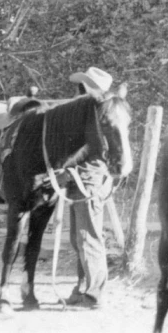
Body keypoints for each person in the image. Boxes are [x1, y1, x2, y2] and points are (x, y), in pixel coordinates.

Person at [66, 66, 115, 309]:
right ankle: (82, 288)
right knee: (78, 238)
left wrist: (65, 161)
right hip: (81, 178)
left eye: (83, 85)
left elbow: (94, 148)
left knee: (88, 237)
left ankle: (95, 294)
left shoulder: (98, 113)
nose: (79, 88)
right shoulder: (89, 111)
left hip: (90, 180)